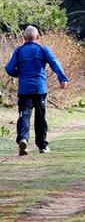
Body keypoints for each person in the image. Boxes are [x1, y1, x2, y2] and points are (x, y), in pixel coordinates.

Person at [4, 25, 69, 156]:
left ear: (24, 38)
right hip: (40, 89)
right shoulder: (43, 49)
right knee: (40, 117)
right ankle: (42, 145)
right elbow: (54, 63)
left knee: (24, 115)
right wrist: (63, 79)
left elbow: (9, 68)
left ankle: (23, 138)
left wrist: (19, 73)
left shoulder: (19, 50)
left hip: (24, 90)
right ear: (38, 37)